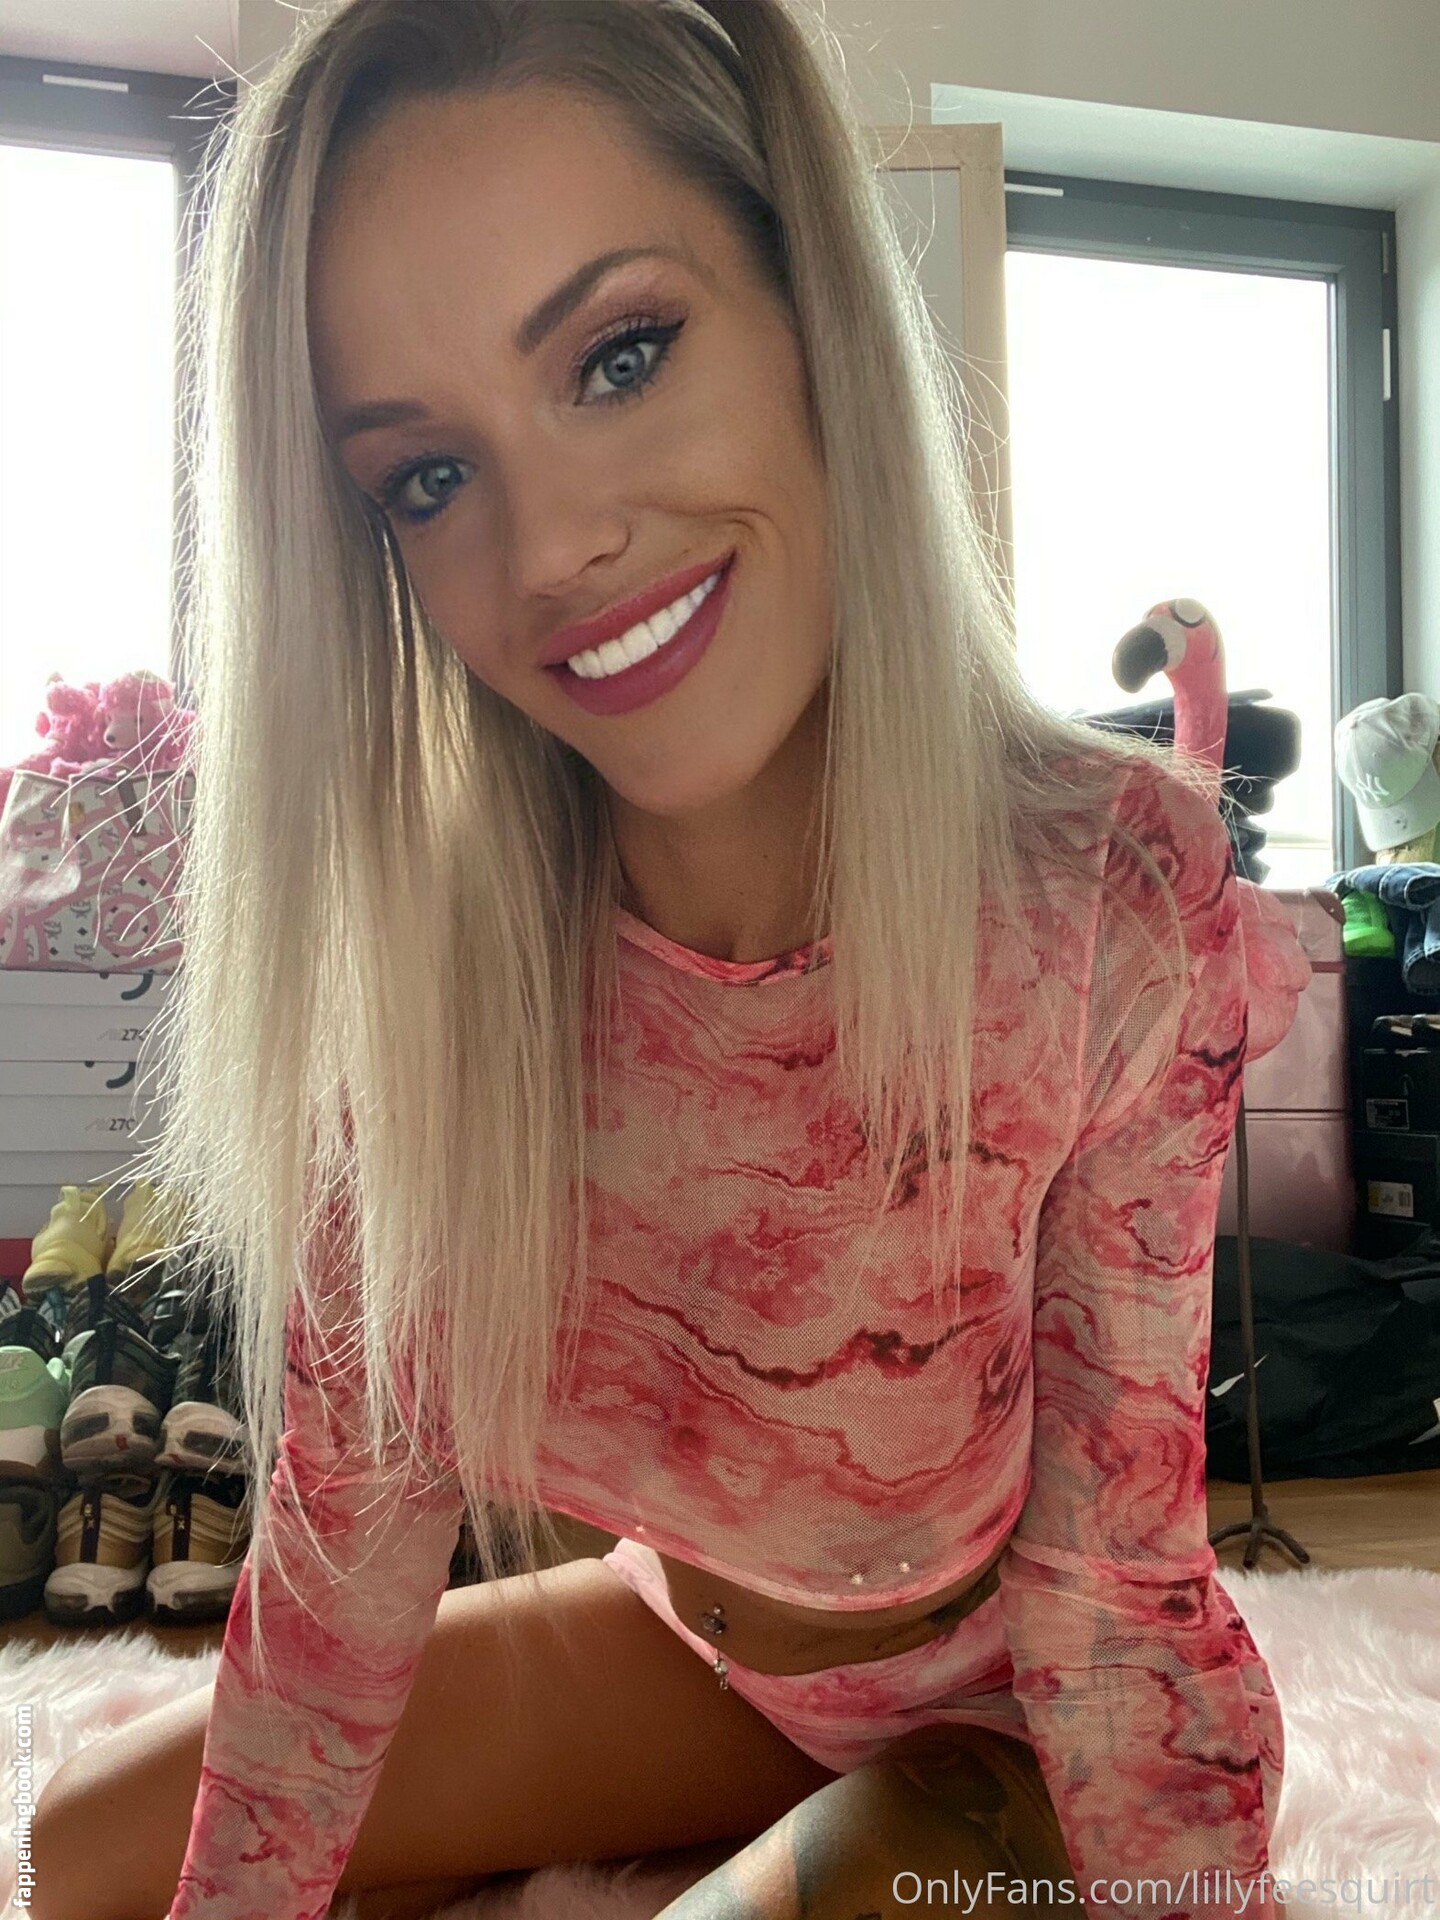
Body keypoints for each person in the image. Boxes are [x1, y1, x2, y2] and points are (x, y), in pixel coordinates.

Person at [30, 1, 1285, 1916]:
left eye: (620, 356)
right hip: (707, 1665)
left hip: (1015, 1706)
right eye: (426, 477)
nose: (554, 547)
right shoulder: (438, 975)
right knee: (79, 1846)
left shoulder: (1103, 900)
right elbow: (344, 1555)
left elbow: (1117, 1584)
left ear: (807, 310)